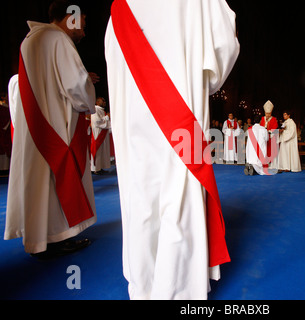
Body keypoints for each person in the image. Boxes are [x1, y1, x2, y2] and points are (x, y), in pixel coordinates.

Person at [105, 0, 239, 300]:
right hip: (182, 113)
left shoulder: (119, 8)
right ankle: (178, 289)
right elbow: (223, 47)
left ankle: (144, 284)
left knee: (141, 194)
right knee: (179, 193)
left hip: (135, 120)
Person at [4, 0, 98, 259]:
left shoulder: (29, 40)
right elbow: (75, 85)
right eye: (83, 24)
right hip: (55, 120)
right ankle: (57, 236)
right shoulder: (58, 39)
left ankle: (38, 235)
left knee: (38, 179)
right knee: (57, 176)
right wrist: (87, 98)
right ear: (71, 18)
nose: (83, 31)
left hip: (35, 122)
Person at [90, 97, 111, 174]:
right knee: (97, 150)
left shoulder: (102, 111)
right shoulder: (95, 110)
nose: (105, 102)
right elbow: (97, 122)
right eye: (103, 100)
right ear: (98, 102)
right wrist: (107, 117)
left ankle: (100, 167)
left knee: (102, 151)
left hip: (103, 132)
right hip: (98, 133)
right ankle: (95, 168)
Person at [260, 100, 279, 170]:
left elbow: (275, 128)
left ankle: (270, 162)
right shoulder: (262, 118)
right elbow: (261, 126)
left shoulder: (273, 119)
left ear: (271, 113)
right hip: (264, 138)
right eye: (266, 113)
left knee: (270, 150)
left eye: (269, 113)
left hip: (271, 138)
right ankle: (264, 162)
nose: (267, 115)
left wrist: (269, 131)